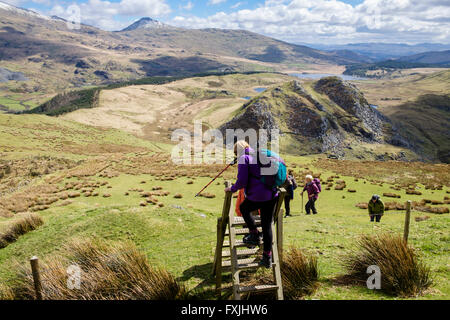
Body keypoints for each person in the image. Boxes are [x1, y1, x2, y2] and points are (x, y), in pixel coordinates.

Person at [225, 140, 280, 269]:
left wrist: (231, 189)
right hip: (272, 195)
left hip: (258, 195)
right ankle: (267, 257)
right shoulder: (258, 155)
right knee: (267, 225)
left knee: (244, 208)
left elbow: (242, 182)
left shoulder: (244, 158)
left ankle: (254, 234)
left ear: (236, 151)